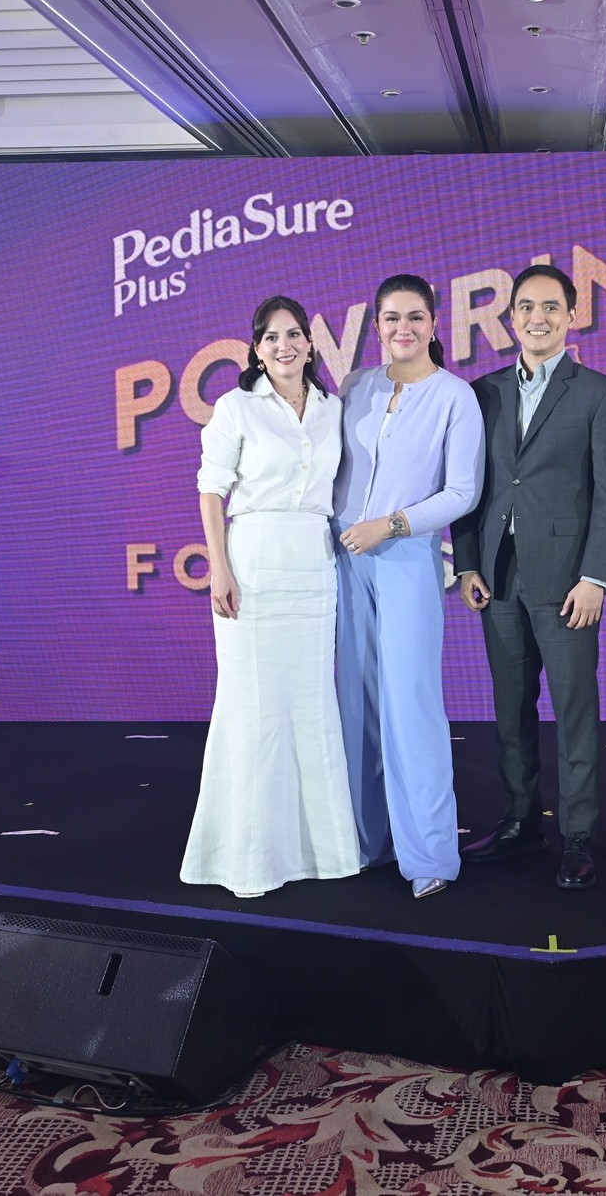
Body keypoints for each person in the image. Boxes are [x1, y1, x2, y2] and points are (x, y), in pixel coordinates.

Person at [452, 266, 606, 890]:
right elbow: (469, 487)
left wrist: (595, 578)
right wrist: (468, 561)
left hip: (567, 584)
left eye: (551, 307)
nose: (538, 318)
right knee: (510, 710)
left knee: (575, 712)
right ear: (510, 319)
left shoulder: (601, 394)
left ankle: (577, 836)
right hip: (498, 578)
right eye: (526, 307)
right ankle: (520, 821)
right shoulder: (483, 392)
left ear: (572, 316)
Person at [182, 296, 359, 899]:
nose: (285, 345)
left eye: (294, 334)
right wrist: (219, 569)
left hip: (314, 564)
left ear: (310, 343)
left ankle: (322, 853)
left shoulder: (333, 408)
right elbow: (212, 491)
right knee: (254, 708)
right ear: (257, 350)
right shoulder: (236, 407)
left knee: (310, 704)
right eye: (271, 337)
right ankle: (248, 862)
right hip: (253, 562)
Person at [333, 274, 483, 899]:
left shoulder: (455, 396)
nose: (404, 328)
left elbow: (462, 491)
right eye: (392, 318)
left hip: (404, 559)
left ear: (434, 323)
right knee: (354, 705)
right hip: (343, 562)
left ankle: (429, 857)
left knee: (410, 705)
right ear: (376, 325)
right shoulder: (356, 386)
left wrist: (389, 525)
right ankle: (365, 842)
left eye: (415, 317)